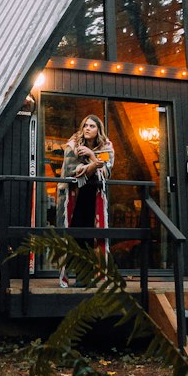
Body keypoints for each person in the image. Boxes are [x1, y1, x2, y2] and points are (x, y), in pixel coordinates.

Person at [57, 114, 114, 288]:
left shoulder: (106, 147)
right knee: (74, 234)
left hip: (94, 195)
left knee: (93, 235)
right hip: (74, 196)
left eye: (92, 126)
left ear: (98, 130)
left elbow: (105, 171)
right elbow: (71, 171)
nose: (87, 128)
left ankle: (91, 274)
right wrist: (92, 162)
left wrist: (90, 155)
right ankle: (78, 274)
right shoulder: (73, 145)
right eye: (85, 125)